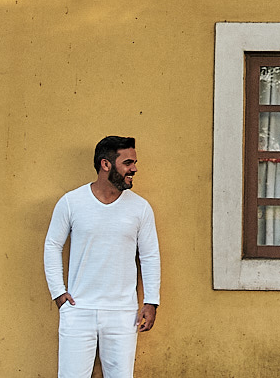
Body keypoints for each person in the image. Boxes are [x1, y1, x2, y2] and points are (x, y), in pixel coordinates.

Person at [44, 136, 161, 378]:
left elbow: (149, 256)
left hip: (122, 312)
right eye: (128, 162)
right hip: (78, 309)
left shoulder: (140, 208)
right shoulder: (71, 202)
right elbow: (52, 245)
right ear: (106, 164)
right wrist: (58, 292)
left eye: (135, 162)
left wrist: (151, 301)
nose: (135, 168)